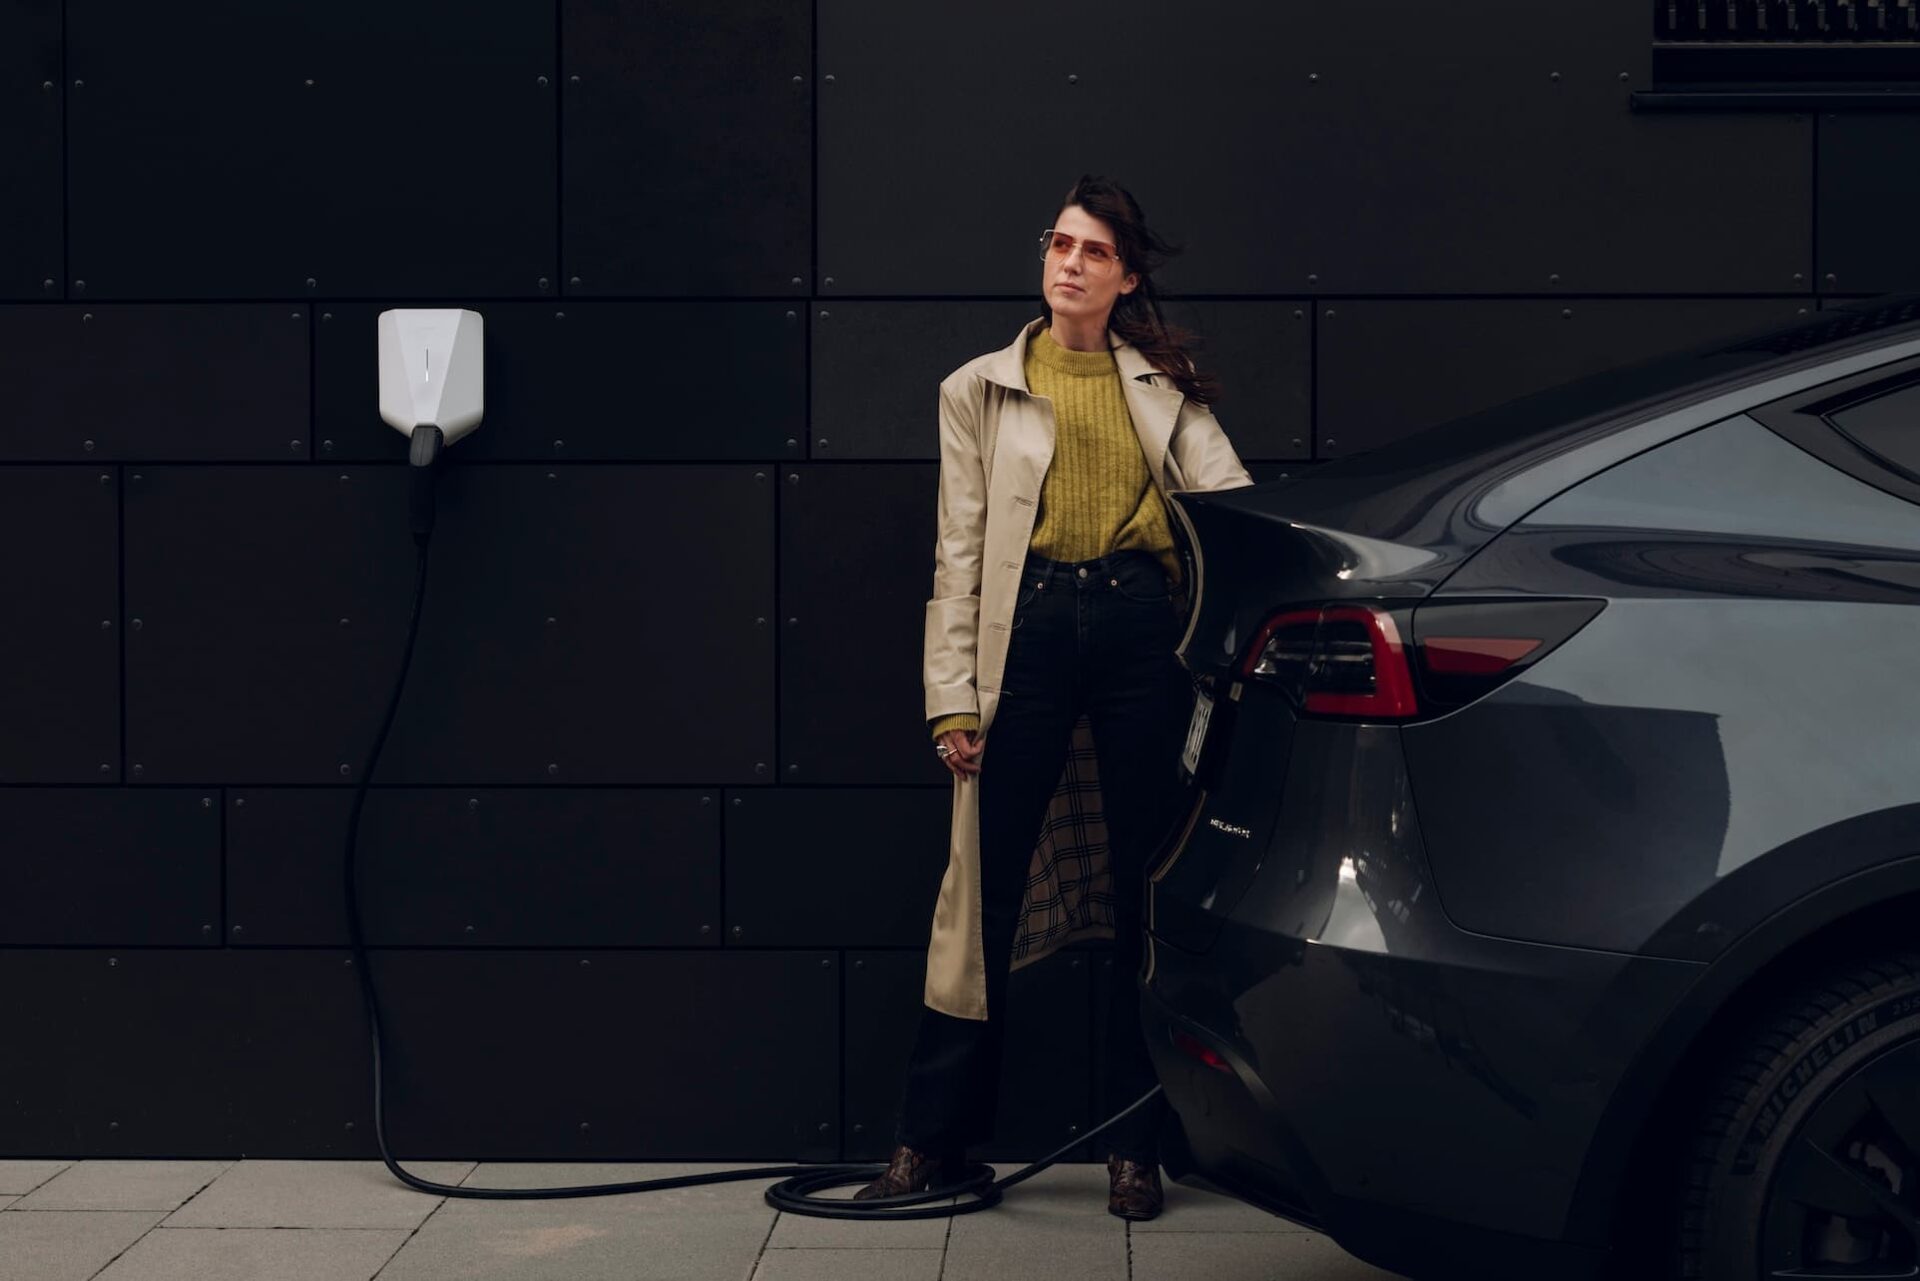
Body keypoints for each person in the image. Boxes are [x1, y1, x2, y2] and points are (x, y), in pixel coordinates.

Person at [854, 175, 1255, 1219]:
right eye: (1059, 244)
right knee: (978, 898)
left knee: (1139, 894)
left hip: (1137, 639)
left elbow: (1234, 521)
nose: (1069, 263)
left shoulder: (1166, 393)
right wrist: (951, 699)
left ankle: (1135, 1149)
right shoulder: (977, 388)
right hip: (1022, 637)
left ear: (1124, 278)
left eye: (1092, 252)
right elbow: (955, 553)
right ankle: (933, 1144)